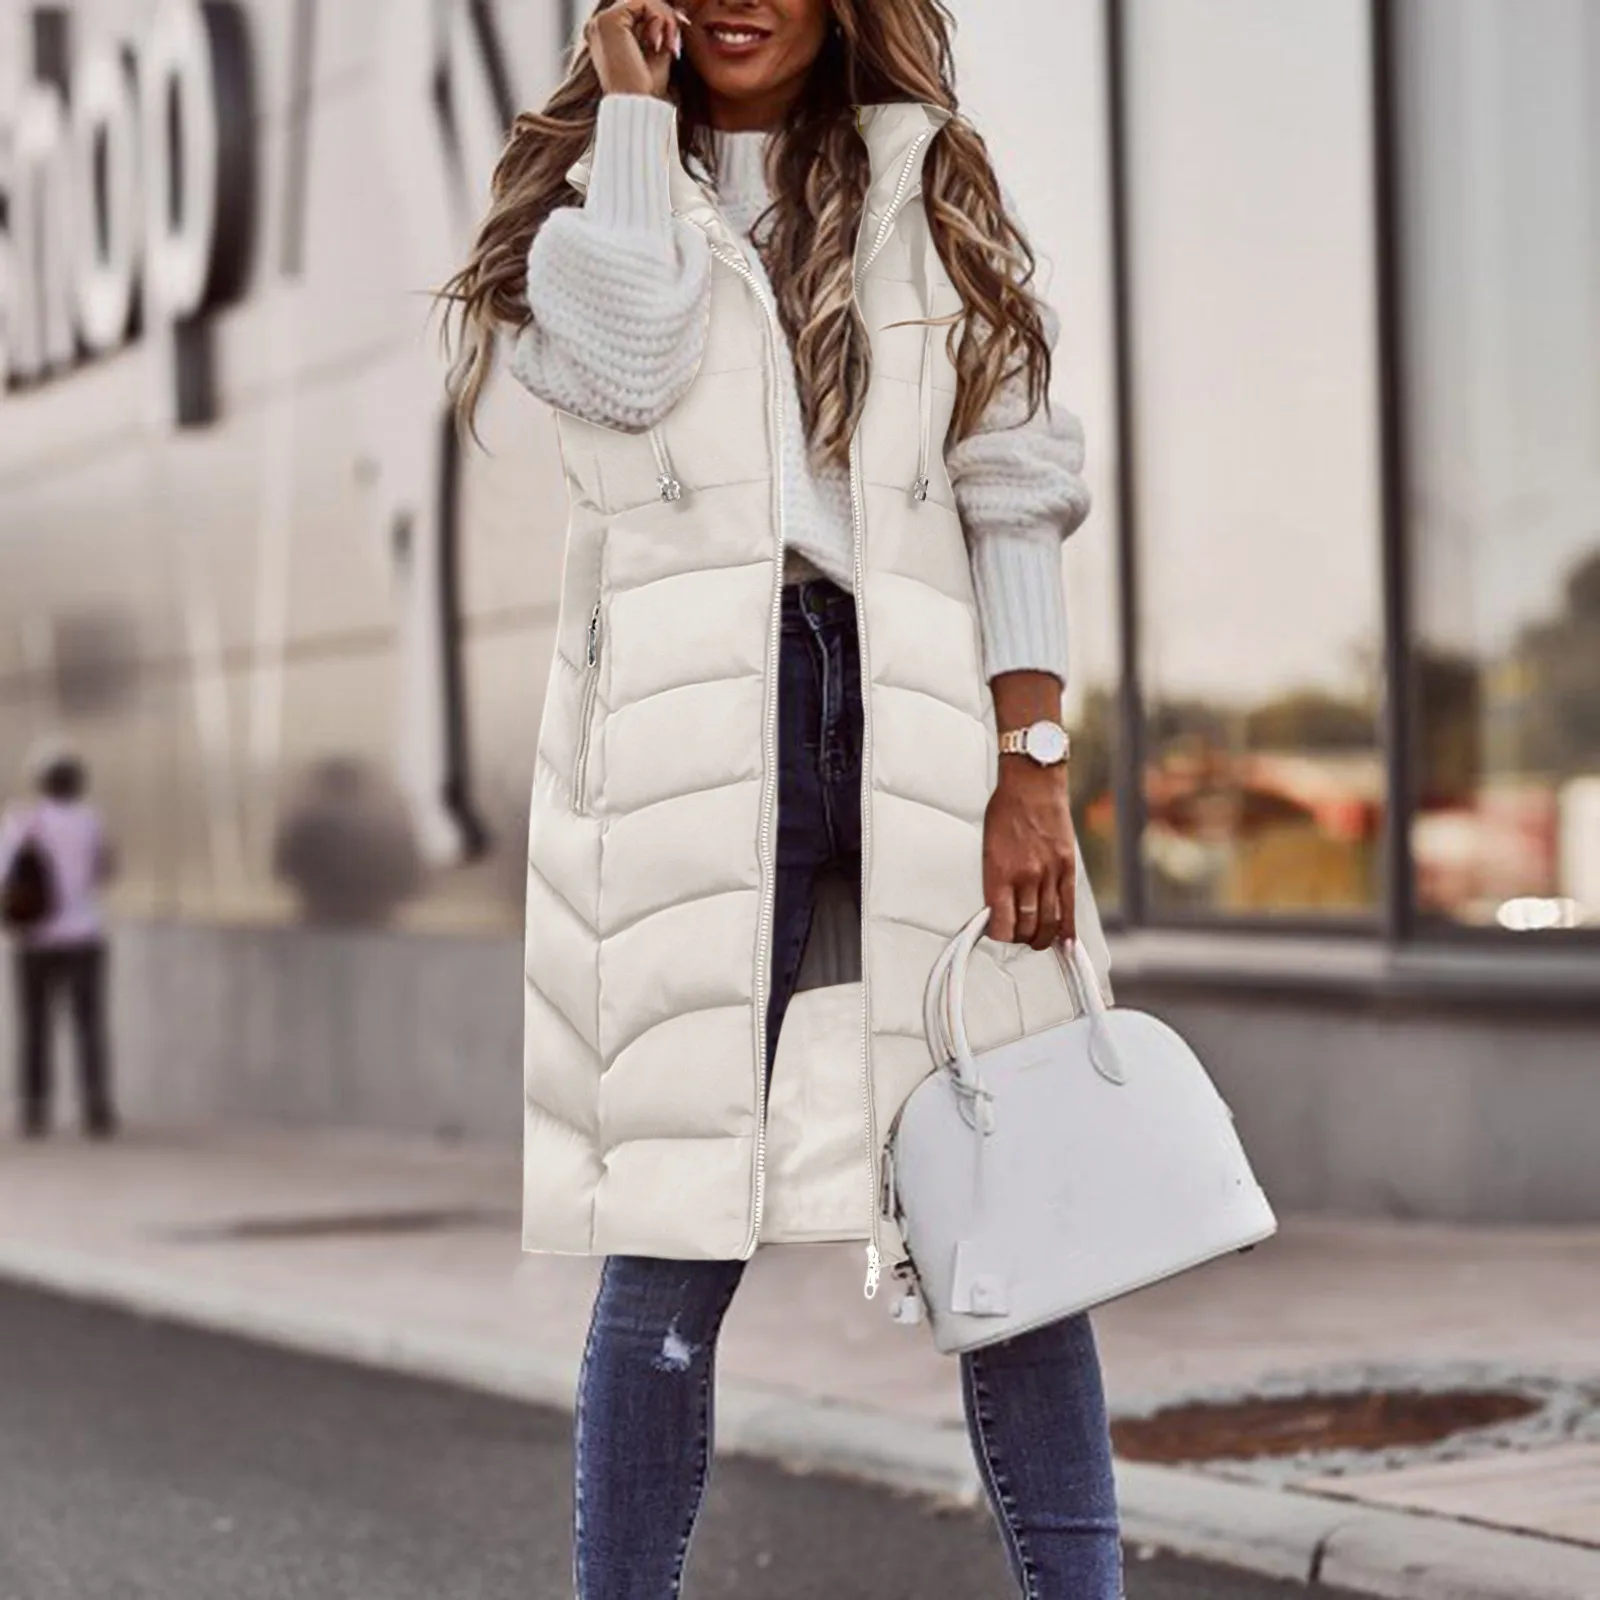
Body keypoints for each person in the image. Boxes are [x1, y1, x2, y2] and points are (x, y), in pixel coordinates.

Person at [446, 2, 1123, 1594]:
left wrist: (1032, 765)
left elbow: (1011, 481)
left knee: (1014, 1224)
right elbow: (625, 373)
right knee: (671, 1234)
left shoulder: (924, 181)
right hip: (693, 729)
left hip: (916, 706)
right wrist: (631, 121)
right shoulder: (592, 210)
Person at [0, 739, 117, 1140]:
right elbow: (104, 872)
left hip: (36, 939)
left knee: (35, 1024)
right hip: (84, 934)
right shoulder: (92, 821)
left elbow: (6, 875)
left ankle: (35, 1108)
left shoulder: (24, 821)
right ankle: (96, 1104)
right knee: (89, 1024)